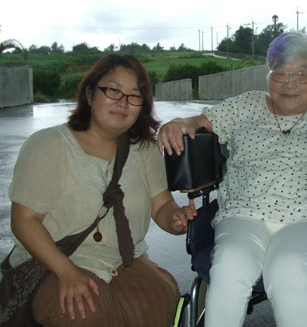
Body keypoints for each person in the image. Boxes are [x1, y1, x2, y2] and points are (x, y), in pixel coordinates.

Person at [158, 31, 307, 327]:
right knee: (229, 266)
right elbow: (198, 122)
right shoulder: (245, 105)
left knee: (288, 269)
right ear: (268, 74)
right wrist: (178, 123)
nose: (289, 83)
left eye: (301, 73)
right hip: (242, 214)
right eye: (280, 72)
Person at [6, 54, 196, 327]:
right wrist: (66, 271)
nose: (123, 102)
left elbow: (161, 204)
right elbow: (24, 221)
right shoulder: (49, 144)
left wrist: (176, 219)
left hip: (122, 261)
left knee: (159, 297)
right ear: (90, 93)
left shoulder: (143, 148)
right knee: (82, 311)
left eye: (134, 95)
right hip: (56, 260)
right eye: (113, 90)